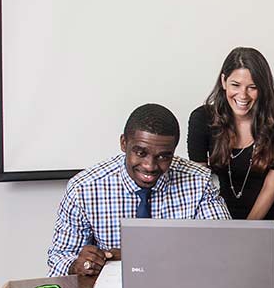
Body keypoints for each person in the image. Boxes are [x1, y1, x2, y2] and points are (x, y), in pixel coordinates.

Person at [46, 104, 231, 277]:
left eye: (163, 156)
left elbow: (224, 250)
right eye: (141, 153)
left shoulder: (199, 182)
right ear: (124, 143)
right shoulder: (84, 189)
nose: (150, 166)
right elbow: (58, 260)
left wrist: (136, 257)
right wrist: (77, 265)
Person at [188, 47, 274, 233]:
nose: (243, 95)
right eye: (235, 85)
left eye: (252, 87)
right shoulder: (202, 118)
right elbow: (199, 182)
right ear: (223, 81)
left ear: (263, 88)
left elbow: (271, 186)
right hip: (223, 215)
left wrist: (246, 231)